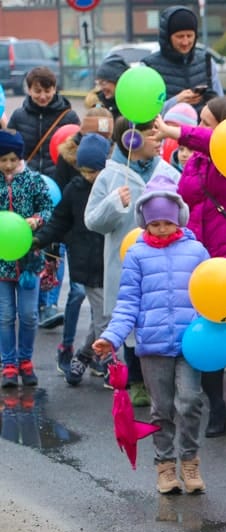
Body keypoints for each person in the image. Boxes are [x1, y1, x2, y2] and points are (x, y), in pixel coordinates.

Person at [92, 181, 209, 494]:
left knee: (190, 401)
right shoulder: (137, 255)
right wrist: (111, 338)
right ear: (145, 222)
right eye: (154, 223)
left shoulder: (196, 250)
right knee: (161, 408)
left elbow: (211, 293)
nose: (161, 229)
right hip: (153, 345)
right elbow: (127, 303)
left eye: (167, 222)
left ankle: (189, 459)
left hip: (190, 343)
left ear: (178, 220)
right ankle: (165, 465)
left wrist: (225, 318)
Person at [154, 96, 226, 437]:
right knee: (207, 331)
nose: (202, 127)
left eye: (208, 121)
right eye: (200, 120)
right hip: (198, 255)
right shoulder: (196, 159)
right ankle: (217, 406)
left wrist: (177, 131)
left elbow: (217, 141)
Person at [84, 117, 181, 407]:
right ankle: (136, 380)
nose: (159, 137)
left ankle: (164, 380)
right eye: (152, 132)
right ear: (131, 140)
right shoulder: (110, 176)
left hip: (163, 262)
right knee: (130, 322)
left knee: (159, 317)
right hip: (124, 264)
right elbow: (92, 221)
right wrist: (114, 204)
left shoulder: (167, 172)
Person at [34, 134, 112, 386]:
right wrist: (38, 241)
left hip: (110, 261)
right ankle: (112, 365)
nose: (89, 176)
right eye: (85, 170)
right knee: (104, 317)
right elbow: (59, 221)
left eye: (94, 171)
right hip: (85, 263)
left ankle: (83, 355)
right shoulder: (74, 189)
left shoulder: (113, 187)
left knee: (103, 316)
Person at [8, 66, 81, 329]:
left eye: (47, 90)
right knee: (27, 243)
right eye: (37, 91)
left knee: (54, 247)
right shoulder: (19, 115)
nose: (43, 96)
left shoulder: (68, 116)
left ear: (55, 89)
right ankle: (30, 300)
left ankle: (49, 305)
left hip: (57, 190)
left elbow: (74, 153)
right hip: (25, 188)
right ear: (29, 89)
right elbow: (12, 149)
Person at [0, 130, 52, 388]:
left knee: (29, 315)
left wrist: (37, 220)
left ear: (19, 157)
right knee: (6, 315)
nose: (8, 165)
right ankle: (8, 364)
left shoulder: (33, 180)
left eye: (12, 159)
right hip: (1, 263)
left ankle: (25, 360)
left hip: (30, 258)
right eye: (3, 160)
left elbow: (48, 206)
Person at [142, 5, 223, 114]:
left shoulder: (207, 62)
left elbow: (222, 106)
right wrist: (175, 102)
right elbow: (145, 114)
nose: (185, 42)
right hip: (165, 130)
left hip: (201, 130)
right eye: (180, 36)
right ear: (167, 37)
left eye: (189, 36)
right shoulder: (148, 67)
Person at [85, 54, 129, 119]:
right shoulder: (99, 103)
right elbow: (100, 128)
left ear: (117, 81)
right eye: (98, 83)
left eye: (103, 83)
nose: (101, 88)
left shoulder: (130, 104)